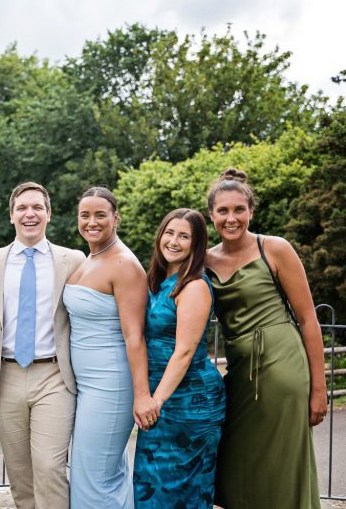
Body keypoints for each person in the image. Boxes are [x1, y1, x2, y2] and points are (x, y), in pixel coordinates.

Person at [206, 168, 326, 508]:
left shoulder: (273, 248)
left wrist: (319, 390)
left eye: (239, 210)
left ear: (251, 211)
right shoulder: (203, 259)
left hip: (282, 367)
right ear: (211, 214)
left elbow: (308, 319)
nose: (231, 218)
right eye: (223, 211)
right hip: (239, 371)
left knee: (282, 461)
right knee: (236, 460)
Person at [0, 182, 84, 509]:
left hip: (54, 376)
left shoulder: (73, 260)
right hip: (5, 377)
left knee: (50, 467)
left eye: (37, 207)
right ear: (11, 215)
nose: (30, 214)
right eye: (22, 208)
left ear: (48, 214)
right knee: (20, 474)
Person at [63, 187, 157, 509]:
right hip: (86, 384)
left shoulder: (124, 265)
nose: (92, 222)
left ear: (116, 218)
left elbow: (135, 336)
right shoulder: (88, 259)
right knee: (103, 473)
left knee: (93, 477)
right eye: (85, 215)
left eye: (100, 215)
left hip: (110, 384)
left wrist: (142, 395)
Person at [132, 208, 226, 508]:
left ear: (196, 244)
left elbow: (184, 352)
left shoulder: (194, 285)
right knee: (152, 485)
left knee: (181, 489)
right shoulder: (158, 282)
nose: (174, 241)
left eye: (184, 236)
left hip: (189, 401)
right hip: (161, 396)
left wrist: (155, 401)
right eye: (169, 233)